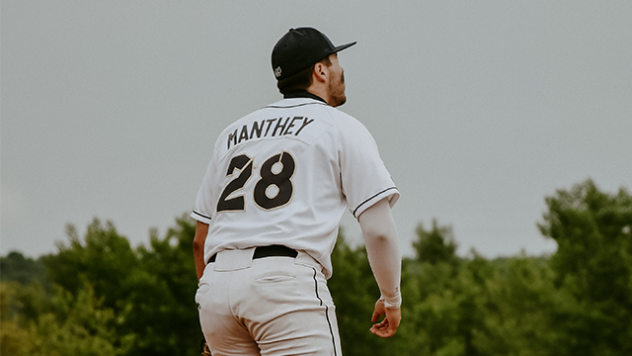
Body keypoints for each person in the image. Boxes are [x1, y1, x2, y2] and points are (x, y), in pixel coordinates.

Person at [192, 27, 402, 356]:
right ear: (320, 70)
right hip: (283, 285)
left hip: (217, 287)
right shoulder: (340, 126)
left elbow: (200, 242)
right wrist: (391, 298)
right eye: (335, 61)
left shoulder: (233, 133)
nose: (340, 69)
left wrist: (217, 309)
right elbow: (378, 231)